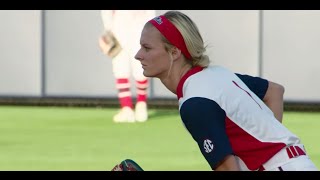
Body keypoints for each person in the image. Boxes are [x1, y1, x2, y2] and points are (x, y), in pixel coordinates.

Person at [134, 10, 318, 171]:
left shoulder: (195, 103)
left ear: (175, 53)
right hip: (295, 163)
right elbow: (274, 91)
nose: (138, 55)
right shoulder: (218, 75)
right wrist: (270, 147)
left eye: (147, 48)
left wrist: (268, 155)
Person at [98, 10, 156, 123]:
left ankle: (130, 108)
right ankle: (138, 106)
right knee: (135, 65)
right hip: (136, 25)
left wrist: (108, 28)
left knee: (124, 66)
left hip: (122, 25)